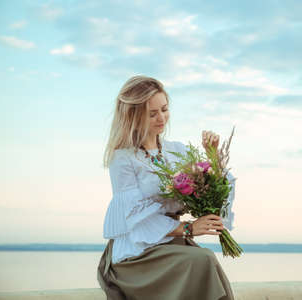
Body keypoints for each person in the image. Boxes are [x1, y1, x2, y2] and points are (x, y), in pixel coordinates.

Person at [96, 75, 237, 300]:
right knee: (203, 260)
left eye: (164, 109)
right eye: (152, 114)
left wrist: (212, 155)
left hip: (172, 244)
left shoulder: (176, 151)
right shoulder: (123, 159)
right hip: (138, 252)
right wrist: (188, 229)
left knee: (204, 261)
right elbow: (134, 218)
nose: (161, 118)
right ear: (134, 116)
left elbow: (213, 188)